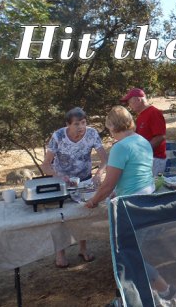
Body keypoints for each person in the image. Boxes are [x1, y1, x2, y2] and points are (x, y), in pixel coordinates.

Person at [85, 106, 176, 300]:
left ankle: (162, 291)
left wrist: (92, 201)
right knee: (137, 253)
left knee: (129, 256)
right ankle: (153, 292)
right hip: (146, 202)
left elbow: (108, 184)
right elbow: (133, 174)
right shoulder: (142, 141)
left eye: (108, 127)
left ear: (112, 126)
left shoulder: (120, 147)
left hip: (130, 207)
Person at [41, 107, 108, 268]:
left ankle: (83, 249)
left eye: (83, 123)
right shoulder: (58, 136)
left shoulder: (92, 134)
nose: (81, 127)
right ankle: (60, 253)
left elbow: (105, 160)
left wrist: (99, 174)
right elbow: (45, 165)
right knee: (61, 216)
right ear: (68, 125)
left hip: (83, 179)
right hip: (61, 180)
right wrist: (59, 177)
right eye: (77, 124)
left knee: (83, 213)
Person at [120, 88, 167, 176]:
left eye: (130, 102)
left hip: (155, 159)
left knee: (152, 188)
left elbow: (160, 137)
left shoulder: (153, 113)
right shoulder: (141, 115)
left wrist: (142, 150)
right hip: (145, 159)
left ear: (138, 99)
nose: (129, 105)